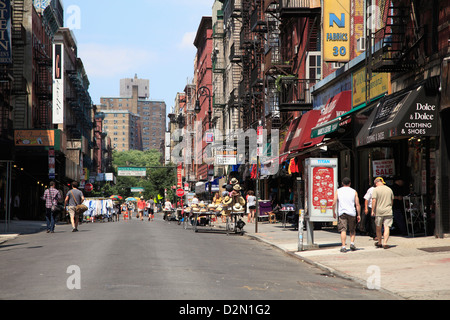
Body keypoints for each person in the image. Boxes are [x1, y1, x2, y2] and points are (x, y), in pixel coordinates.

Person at [332, 177, 361, 253]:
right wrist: (359, 214)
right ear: (350, 183)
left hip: (342, 213)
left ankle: (343, 246)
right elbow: (357, 204)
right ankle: (352, 243)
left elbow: (334, 202)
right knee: (352, 229)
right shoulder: (354, 191)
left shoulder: (338, 191)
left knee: (343, 230)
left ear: (342, 183)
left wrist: (334, 212)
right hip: (352, 212)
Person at [372, 177, 394, 249]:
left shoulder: (376, 190)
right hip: (388, 211)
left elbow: (374, 201)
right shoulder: (389, 189)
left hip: (379, 211)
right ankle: (385, 243)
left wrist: (372, 210)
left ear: (376, 183)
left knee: (378, 227)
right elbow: (392, 201)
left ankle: (379, 242)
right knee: (387, 227)